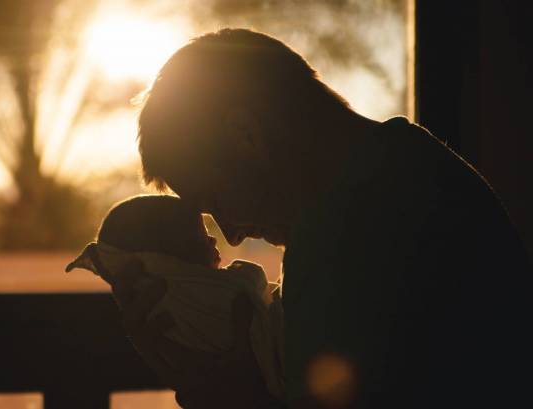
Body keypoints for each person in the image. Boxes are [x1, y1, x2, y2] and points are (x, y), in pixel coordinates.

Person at [111, 28, 531, 408]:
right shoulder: (418, 170)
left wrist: (227, 396)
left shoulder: (341, 235)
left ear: (246, 135)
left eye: (215, 200)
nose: (232, 236)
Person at [65, 195, 285, 402]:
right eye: (199, 236)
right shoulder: (201, 296)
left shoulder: (158, 311)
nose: (215, 238)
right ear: (165, 261)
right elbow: (252, 286)